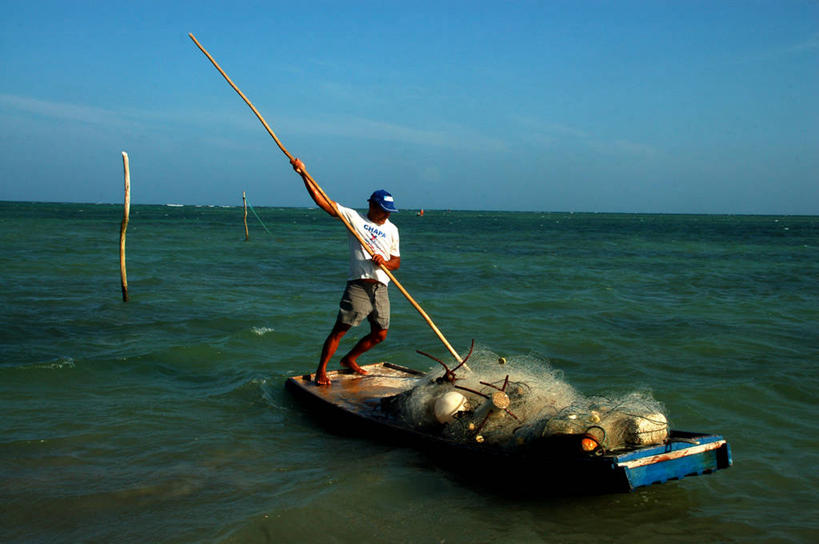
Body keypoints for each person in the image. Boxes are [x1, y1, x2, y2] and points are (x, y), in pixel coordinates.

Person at [291, 158, 401, 385]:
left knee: (380, 334)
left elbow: (397, 262)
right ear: (372, 206)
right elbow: (323, 202)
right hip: (359, 284)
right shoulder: (354, 218)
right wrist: (303, 173)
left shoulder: (392, 230)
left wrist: (385, 263)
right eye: (384, 210)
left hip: (381, 286)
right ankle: (321, 369)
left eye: (389, 211)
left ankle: (349, 359)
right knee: (341, 329)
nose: (387, 215)